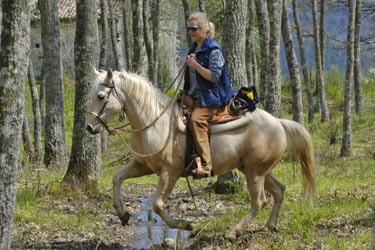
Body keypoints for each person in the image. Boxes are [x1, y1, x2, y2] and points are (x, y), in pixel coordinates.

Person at [183, 12, 233, 178]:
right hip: (195, 95)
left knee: (197, 120)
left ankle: (206, 164)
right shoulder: (194, 48)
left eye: (194, 29)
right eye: (189, 29)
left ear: (204, 30)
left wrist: (195, 65)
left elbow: (213, 77)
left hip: (211, 97)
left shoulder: (213, 50)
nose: (191, 32)